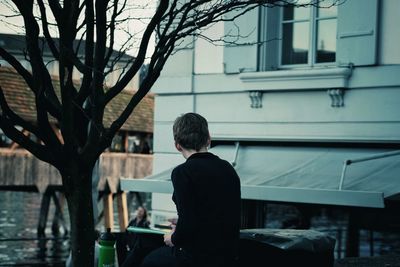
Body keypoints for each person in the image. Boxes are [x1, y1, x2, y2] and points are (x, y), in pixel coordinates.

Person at [140, 112, 241, 267]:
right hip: (227, 255)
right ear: (208, 139)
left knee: (144, 253)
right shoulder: (228, 168)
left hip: (197, 257)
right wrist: (182, 223)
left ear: (177, 145)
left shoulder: (183, 172)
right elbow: (215, 214)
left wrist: (173, 238)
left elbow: (188, 224)